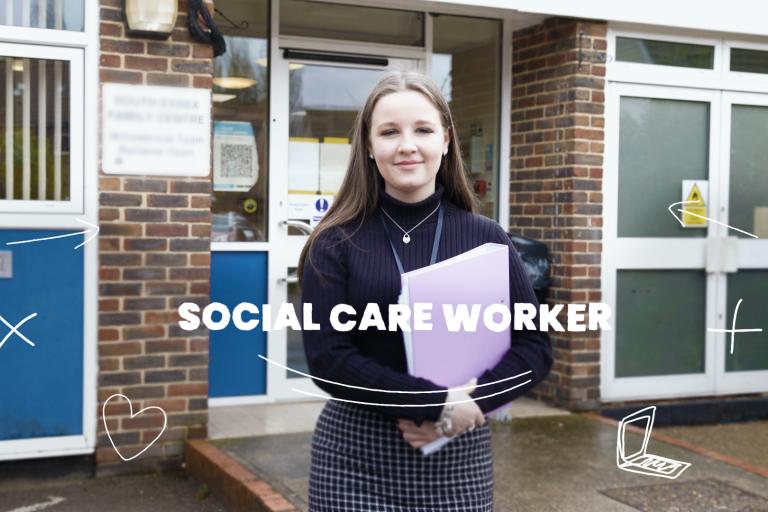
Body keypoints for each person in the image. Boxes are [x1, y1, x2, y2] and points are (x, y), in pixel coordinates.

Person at [298, 71, 553, 511]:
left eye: (423, 129)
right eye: (390, 132)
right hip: (356, 458)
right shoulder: (334, 242)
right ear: (369, 145)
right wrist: (435, 405)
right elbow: (328, 359)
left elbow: (534, 346)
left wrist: (471, 402)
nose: (407, 145)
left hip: (458, 450)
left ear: (446, 140)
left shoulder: (487, 238)